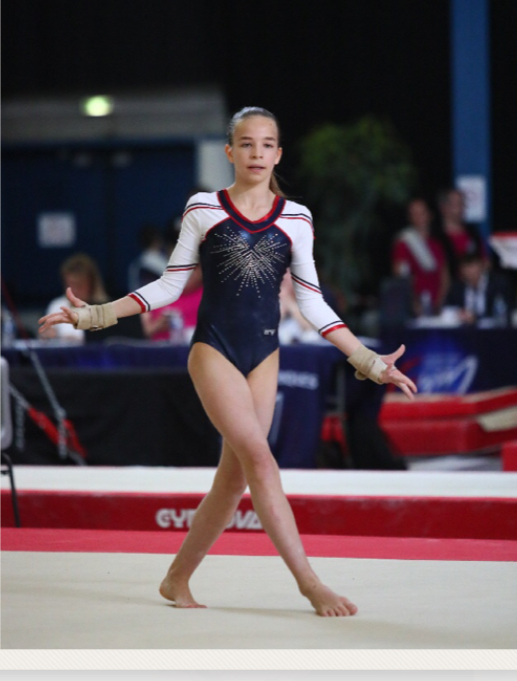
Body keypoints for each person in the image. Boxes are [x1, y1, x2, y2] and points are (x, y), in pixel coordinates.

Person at [40, 106, 416, 616]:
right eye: (246, 144)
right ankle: (309, 583)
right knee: (261, 461)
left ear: (278, 153)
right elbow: (171, 285)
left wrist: (370, 362)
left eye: (267, 144)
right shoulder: (204, 208)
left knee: (234, 477)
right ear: (230, 152)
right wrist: (95, 317)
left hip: (265, 355)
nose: (257, 153)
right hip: (213, 349)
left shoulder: (297, 218)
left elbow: (312, 302)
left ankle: (176, 579)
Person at [391, 196, 449, 315]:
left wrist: (439, 303)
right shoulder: (404, 243)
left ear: (429, 215)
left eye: (422, 213)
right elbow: (401, 277)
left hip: (438, 306)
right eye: (414, 214)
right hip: (413, 307)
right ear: (409, 217)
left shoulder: (437, 244)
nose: (419, 217)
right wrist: (414, 303)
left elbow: (445, 277)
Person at [41, 253, 109, 344]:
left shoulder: (105, 308)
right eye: (70, 285)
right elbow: (46, 337)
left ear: (92, 283)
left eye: (79, 285)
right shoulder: (57, 306)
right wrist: (47, 335)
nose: (74, 291)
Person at [444, 242, 514, 324]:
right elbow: (447, 309)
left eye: (473, 265)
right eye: (465, 266)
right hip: (464, 331)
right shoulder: (457, 288)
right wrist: (459, 314)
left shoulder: (498, 284)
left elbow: (506, 311)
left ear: (482, 265)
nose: (469, 271)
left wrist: (476, 318)